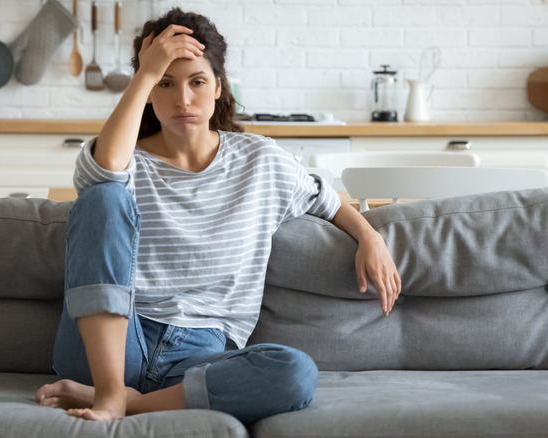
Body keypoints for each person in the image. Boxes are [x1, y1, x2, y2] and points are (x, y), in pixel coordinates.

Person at [35, 8, 401, 423]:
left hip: (199, 355)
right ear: (149, 91)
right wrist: (144, 72)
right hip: (111, 340)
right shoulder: (125, 160)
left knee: (295, 372)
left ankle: (123, 401)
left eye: (197, 82)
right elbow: (103, 174)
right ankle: (109, 388)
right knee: (103, 196)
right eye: (165, 83)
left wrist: (371, 237)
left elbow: (329, 201)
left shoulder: (260, 160)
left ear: (218, 87)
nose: (183, 100)